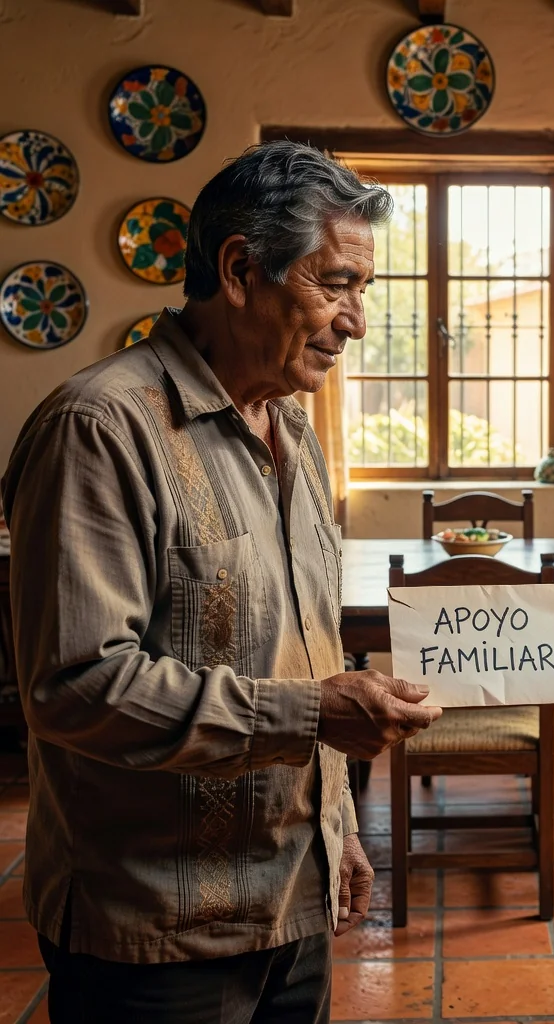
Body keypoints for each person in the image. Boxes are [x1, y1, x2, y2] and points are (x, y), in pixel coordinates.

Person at [1, 141, 444, 1023]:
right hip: (156, 934)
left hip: (294, 899)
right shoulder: (99, 428)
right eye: (337, 285)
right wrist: (311, 716)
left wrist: (339, 832)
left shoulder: (294, 432)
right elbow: (74, 685)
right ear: (240, 271)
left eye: (363, 290)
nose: (356, 322)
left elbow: (304, 647)